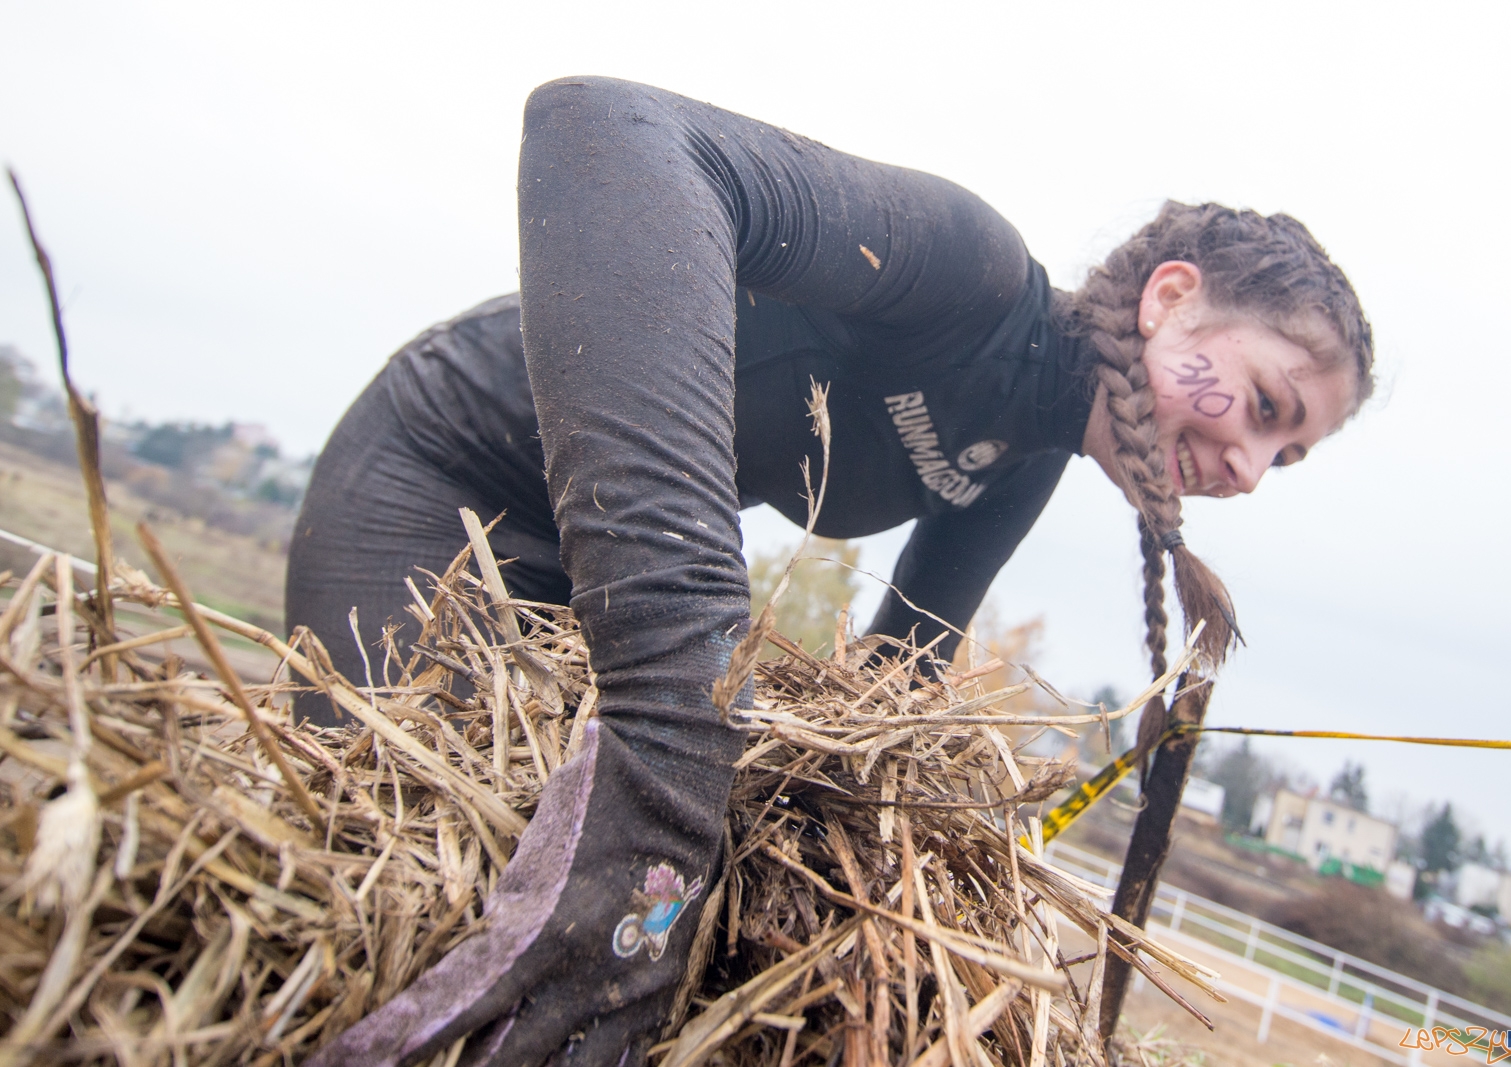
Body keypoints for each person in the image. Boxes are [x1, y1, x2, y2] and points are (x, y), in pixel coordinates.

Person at [298, 77, 1373, 1067]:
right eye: (1264, 406)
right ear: (1169, 299)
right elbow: (607, 131)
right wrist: (685, 683)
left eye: (1285, 455)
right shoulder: (974, 274)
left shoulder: (1021, 464)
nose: (1249, 470)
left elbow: (889, 698)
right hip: (446, 488)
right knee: (398, 889)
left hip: (588, 593)